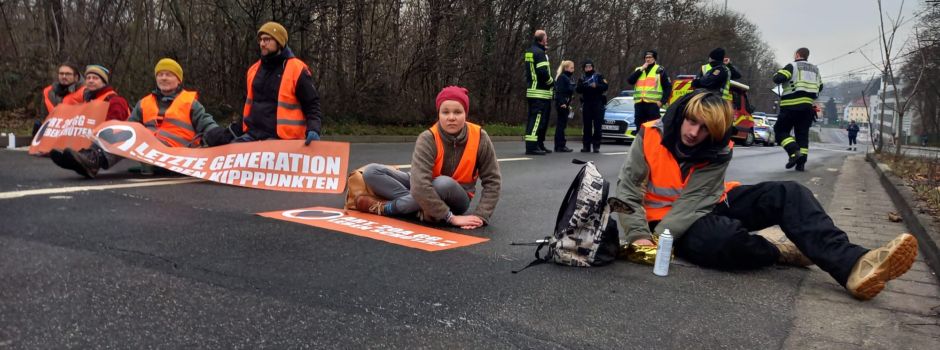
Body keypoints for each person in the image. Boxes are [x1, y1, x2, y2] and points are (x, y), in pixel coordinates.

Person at [612, 89, 918, 301]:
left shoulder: (720, 149)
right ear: (683, 116)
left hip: (706, 205)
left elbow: (696, 200)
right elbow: (627, 189)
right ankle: (777, 250)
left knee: (789, 192)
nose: (693, 133)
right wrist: (641, 236)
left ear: (716, 133)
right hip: (663, 221)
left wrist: (658, 241)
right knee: (723, 241)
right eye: (692, 122)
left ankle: (854, 264)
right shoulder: (650, 133)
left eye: (704, 129)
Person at [50, 59, 232, 179]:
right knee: (121, 130)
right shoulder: (144, 102)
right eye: (160, 74)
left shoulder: (190, 102)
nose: (163, 78)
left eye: (168, 74)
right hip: (148, 151)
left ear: (178, 80)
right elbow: (127, 129)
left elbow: (207, 124)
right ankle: (91, 159)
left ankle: (91, 159)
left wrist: (218, 134)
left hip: (176, 155)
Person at [355, 86, 501, 230]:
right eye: (445, 112)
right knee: (371, 171)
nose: (451, 117)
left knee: (443, 183)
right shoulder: (427, 138)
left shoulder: (480, 137)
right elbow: (419, 185)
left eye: (457, 112)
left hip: (457, 195)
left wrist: (481, 216)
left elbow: (493, 181)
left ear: (465, 114)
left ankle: (387, 208)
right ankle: (422, 209)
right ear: (439, 114)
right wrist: (450, 217)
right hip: (426, 186)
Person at [234, 21, 322, 145]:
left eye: (267, 40)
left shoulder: (296, 69)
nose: (262, 44)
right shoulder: (253, 70)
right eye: (260, 40)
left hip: (284, 140)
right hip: (253, 136)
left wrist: (314, 129)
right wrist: (235, 129)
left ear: (279, 42)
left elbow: (312, 104)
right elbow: (249, 106)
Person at [773, 47, 823, 171]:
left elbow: (778, 78)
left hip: (790, 106)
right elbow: (820, 87)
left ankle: (793, 151)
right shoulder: (815, 70)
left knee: (780, 131)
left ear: (797, 55)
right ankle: (801, 163)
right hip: (807, 108)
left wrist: (778, 72)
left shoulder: (792, 66)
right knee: (802, 135)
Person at [523, 29, 554, 155]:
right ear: (542, 39)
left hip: (532, 90)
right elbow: (542, 72)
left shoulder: (530, 51)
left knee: (535, 119)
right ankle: (532, 147)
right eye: (546, 37)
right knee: (536, 120)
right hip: (540, 92)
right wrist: (551, 82)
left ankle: (539, 144)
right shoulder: (540, 53)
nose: (547, 39)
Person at [35, 63, 84, 137]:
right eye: (61, 73)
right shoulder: (48, 91)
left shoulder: (85, 92)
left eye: (68, 74)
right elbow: (43, 116)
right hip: (52, 133)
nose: (64, 76)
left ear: (76, 77)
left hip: (75, 134)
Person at [627, 50, 672, 127]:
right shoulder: (639, 69)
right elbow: (630, 81)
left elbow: (668, 87)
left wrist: (662, 102)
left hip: (653, 104)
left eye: (650, 57)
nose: (647, 59)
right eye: (646, 57)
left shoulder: (660, 70)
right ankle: (641, 139)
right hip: (639, 104)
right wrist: (641, 69)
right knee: (639, 127)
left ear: (654, 58)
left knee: (653, 127)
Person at [576, 59, 609, 153]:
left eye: (590, 67)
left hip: (598, 103)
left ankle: (596, 146)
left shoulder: (599, 76)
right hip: (587, 103)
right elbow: (578, 89)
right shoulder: (582, 78)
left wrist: (597, 86)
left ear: (593, 67)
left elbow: (605, 87)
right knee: (587, 126)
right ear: (584, 68)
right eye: (586, 67)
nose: (588, 68)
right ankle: (586, 146)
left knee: (597, 126)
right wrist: (585, 86)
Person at [553, 60, 576, 153]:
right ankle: (560, 145)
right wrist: (562, 103)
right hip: (562, 104)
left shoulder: (568, 78)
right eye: (571, 68)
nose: (573, 69)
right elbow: (560, 91)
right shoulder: (563, 78)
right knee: (561, 125)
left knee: (562, 125)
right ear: (566, 68)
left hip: (566, 104)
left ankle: (560, 145)